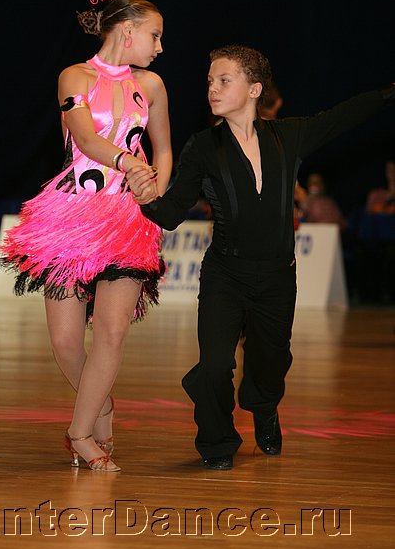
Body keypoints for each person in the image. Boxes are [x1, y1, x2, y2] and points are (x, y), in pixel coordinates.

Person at [126, 44, 394, 470]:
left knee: (271, 362)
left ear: (254, 90)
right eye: (210, 81)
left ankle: (263, 406)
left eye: (224, 80)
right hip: (225, 276)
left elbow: (344, 116)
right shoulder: (203, 146)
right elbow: (173, 213)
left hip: (276, 277)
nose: (212, 89)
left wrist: (388, 93)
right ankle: (217, 443)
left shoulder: (288, 136)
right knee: (215, 365)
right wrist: (146, 201)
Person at [0, 0, 172, 472]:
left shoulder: (152, 85)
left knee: (112, 333)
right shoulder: (74, 77)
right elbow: (88, 139)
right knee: (66, 343)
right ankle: (101, 404)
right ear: (128, 31)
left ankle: (80, 433)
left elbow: (164, 149)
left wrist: (155, 191)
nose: (160, 47)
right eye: (155, 35)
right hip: (70, 218)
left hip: (129, 219)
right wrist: (129, 163)